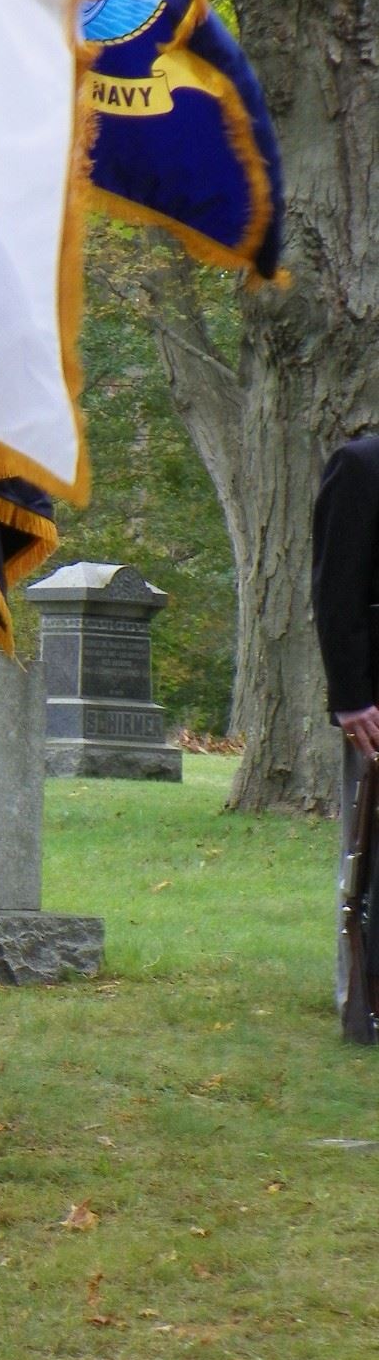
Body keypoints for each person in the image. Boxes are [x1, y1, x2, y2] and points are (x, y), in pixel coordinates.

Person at [311, 433, 379, 1018]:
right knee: (369, 854)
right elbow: (336, 589)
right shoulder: (360, 466)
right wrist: (353, 697)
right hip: (376, 700)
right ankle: (360, 994)